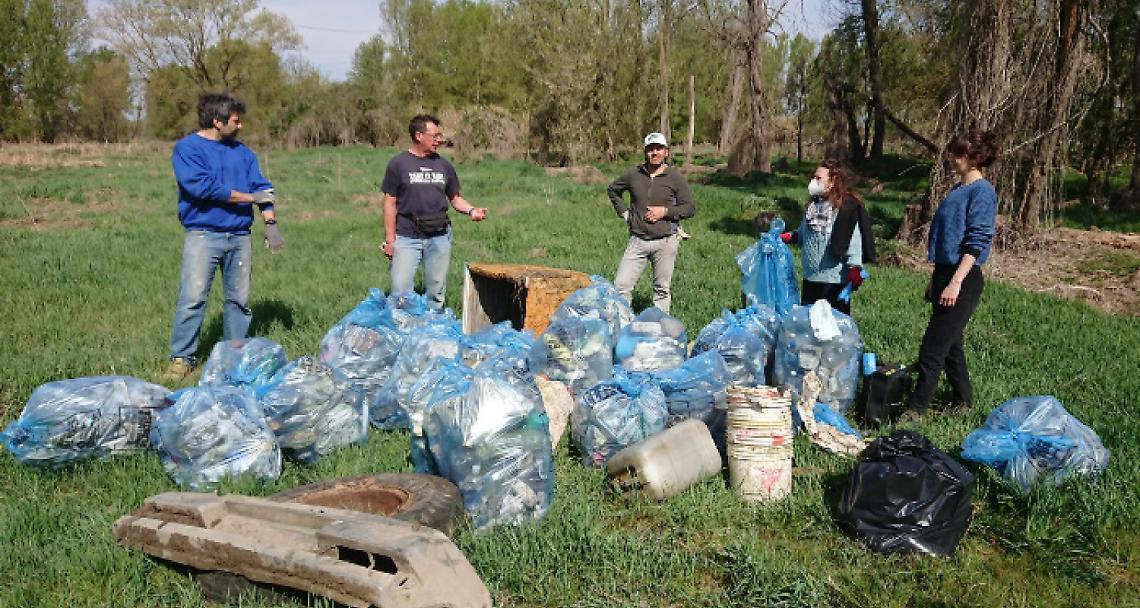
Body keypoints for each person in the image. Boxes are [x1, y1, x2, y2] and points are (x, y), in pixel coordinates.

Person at [164, 92, 284, 382]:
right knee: (193, 298)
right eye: (235, 121)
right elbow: (203, 189)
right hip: (204, 235)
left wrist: (270, 222)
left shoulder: (243, 153)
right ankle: (182, 358)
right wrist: (249, 197)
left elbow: (262, 188)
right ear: (217, 122)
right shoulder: (187, 149)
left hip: (240, 236)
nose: (240, 126)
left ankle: (234, 357)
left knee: (239, 302)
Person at [903, 129, 998, 419]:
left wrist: (955, 282)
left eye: (960, 153)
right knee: (951, 345)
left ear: (976, 158)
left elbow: (977, 239)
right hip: (946, 273)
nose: (953, 158)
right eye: (954, 151)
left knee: (932, 349)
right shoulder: (958, 189)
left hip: (964, 278)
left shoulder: (982, 191)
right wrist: (937, 280)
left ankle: (915, 410)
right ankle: (963, 401)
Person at [381, 114, 486, 311]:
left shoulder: (444, 165)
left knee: (436, 291)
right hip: (407, 237)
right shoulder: (398, 164)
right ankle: (402, 329)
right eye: (435, 135)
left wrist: (472, 210)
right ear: (419, 135)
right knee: (400, 289)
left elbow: (455, 198)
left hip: (439, 236)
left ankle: (433, 328)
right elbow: (389, 202)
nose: (440, 140)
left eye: (440, 135)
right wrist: (390, 240)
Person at [608, 132, 695, 313]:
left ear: (666, 152)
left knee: (662, 290)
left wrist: (665, 212)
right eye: (650, 149)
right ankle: (623, 328)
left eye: (658, 149)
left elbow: (689, 208)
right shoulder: (634, 174)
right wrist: (625, 214)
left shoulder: (675, 178)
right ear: (645, 152)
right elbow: (613, 190)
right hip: (637, 240)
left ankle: (660, 331)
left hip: (666, 241)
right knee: (621, 285)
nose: (654, 153)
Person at [780, 159, 876, 315]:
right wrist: (789, 237)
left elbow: (854, 241)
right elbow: (803, 233)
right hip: (810, 278)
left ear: (832, 182)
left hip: (833, 280)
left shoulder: (844, 210)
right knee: (810, 324)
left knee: (832, 326)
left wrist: (854, 268)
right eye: (813, 177)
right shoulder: (812, 208)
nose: (813, 181)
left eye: (818, 178)